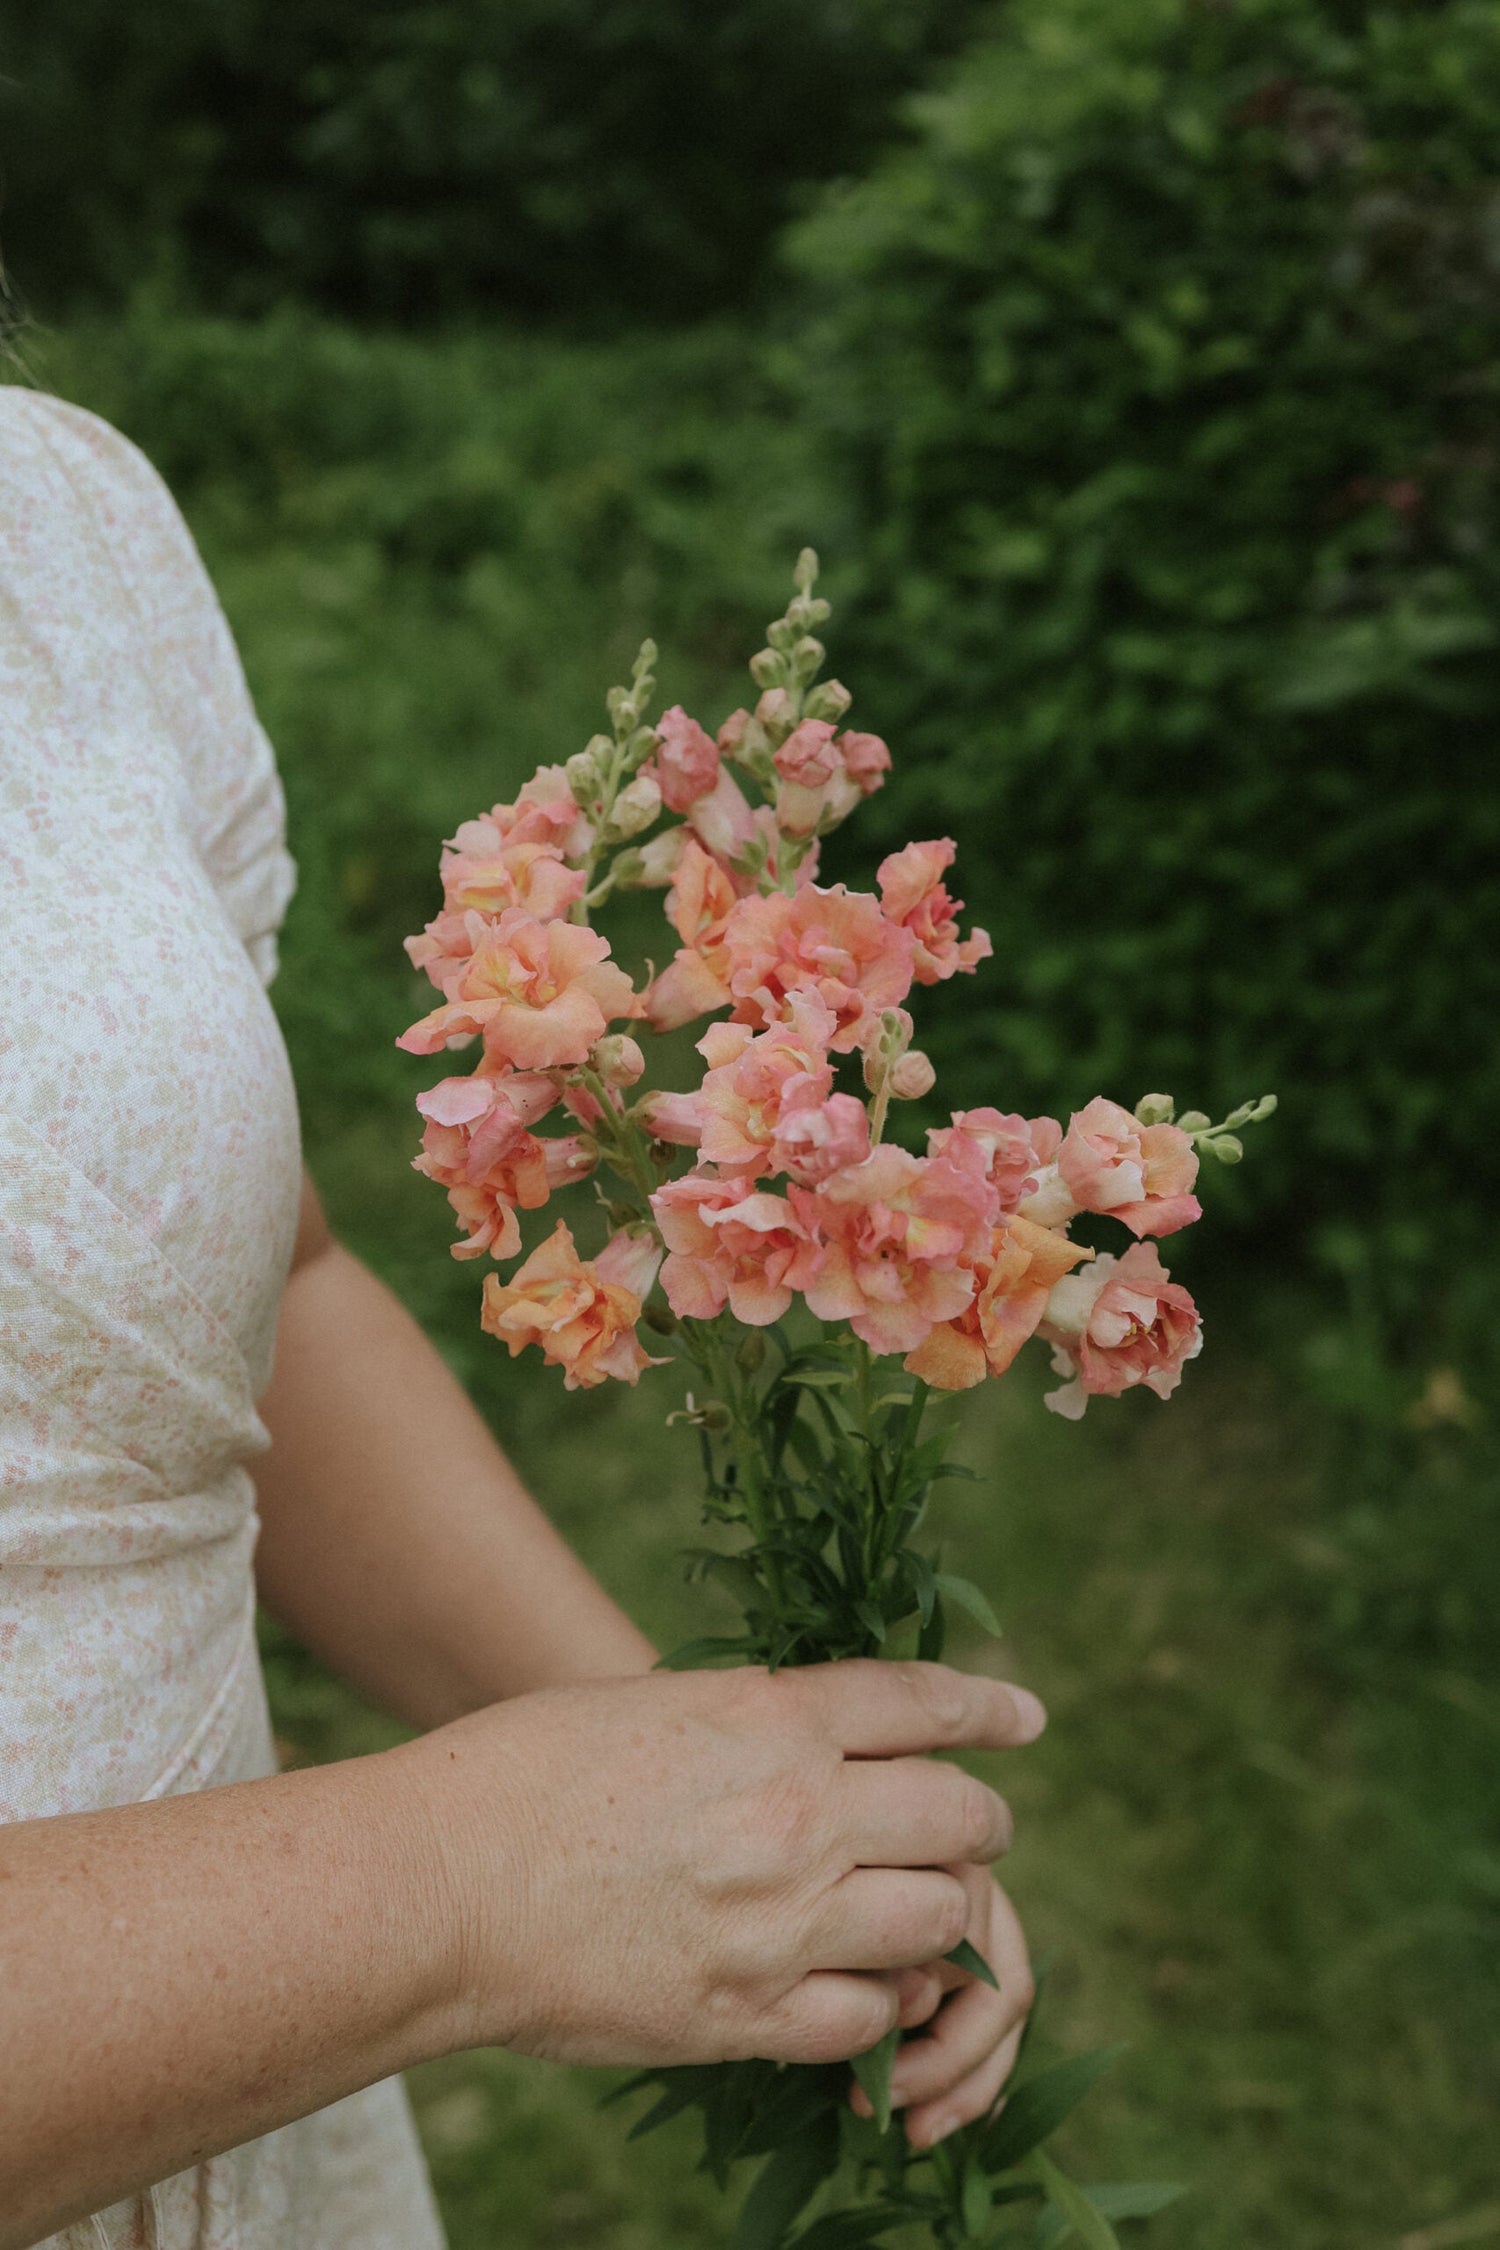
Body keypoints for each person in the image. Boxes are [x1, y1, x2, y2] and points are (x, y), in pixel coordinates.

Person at [0, 387, 1042, 2250]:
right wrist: (467, 1882)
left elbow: (209, 1310)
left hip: (259, 2093)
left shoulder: (61, 513)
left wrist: (740, 1801)